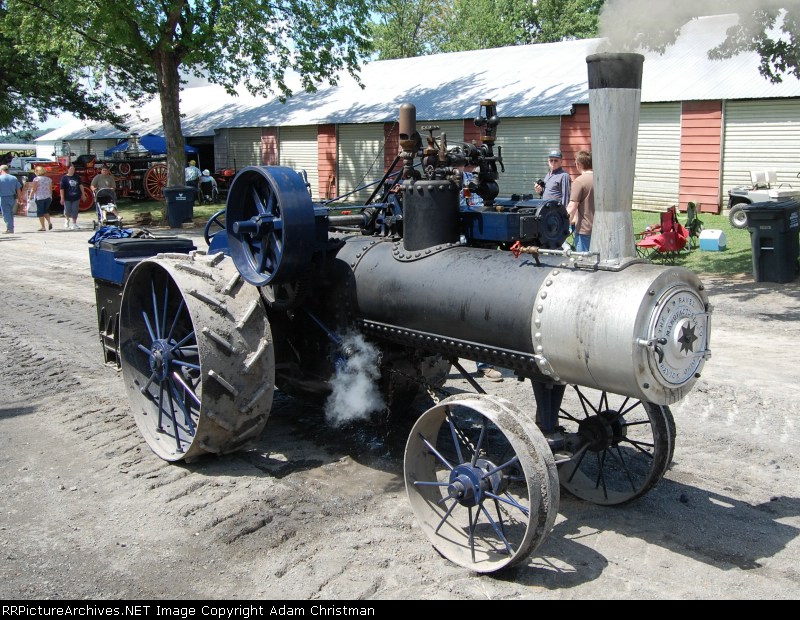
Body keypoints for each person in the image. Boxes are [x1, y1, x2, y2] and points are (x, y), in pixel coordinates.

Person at [566, 150, 594, 252]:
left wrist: (563, 226)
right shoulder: (601, 180)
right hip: (601, 229)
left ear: (579, 165)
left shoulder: (579, 182)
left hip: (584, 231)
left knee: (584, 261)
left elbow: (571, 207)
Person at [28, 166, 53, 231]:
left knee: (40, 212)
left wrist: (30, 196)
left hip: (39, 197)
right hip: (48, 197)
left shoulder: (36, 179)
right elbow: (50, 189)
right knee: (45, 211)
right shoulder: (49, 179)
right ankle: (49, 222)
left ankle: (43, 227)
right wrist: (51, 196)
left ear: (37, 172)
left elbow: (33, 189)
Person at [0, 164, 23, 234]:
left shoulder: (0, 178)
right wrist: (20, 198)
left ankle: (10, 229)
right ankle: (11, 227)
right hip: (12, 197)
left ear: (1, 170)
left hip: (3, 197)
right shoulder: (14, 178)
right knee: (10, 213)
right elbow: (18, 189)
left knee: (6, 213)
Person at [60, 164, 83, 230]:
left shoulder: (77, 177)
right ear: (68, 169)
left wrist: (83, 194)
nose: (72, 170)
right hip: (67, 197)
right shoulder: (64, 178)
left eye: (73, 169)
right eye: (71, 169)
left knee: (75, 210)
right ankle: (67, 219)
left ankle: (74, 223)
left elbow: (81, 186)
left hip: (76, 196)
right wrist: (62, 197)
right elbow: (62, 188)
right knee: (67, 210)